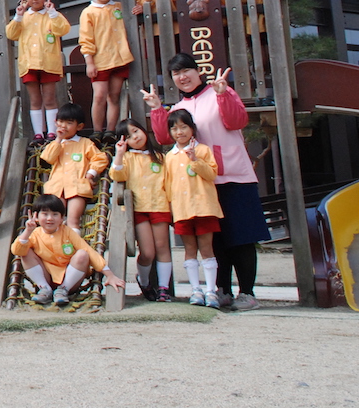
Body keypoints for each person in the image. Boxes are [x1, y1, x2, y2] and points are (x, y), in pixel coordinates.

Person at [143, 54, 265, 311]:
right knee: (214, 238)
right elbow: (166, 138)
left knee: (241, 236)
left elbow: (237, 121)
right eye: (176, 73)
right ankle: (221, 290)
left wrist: (224, 94)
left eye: (187, 70)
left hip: (233, 175)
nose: (182, 77)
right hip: (199, 184)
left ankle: (248, 293)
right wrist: (157, 109)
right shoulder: (177, 109)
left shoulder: (220, 91)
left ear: (199, 72)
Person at [11, 194, 125, 307]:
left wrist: (109, 275)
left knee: (82, 254)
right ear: (36, 216)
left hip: (69, 280)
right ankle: (44, 288)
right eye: (45, 214)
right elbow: (16, 251)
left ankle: (63, 289)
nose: (50, 218)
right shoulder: (34, 233)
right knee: (25, 252)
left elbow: (88, 250)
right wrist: (27, 231)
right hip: (46, 278)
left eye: (55, 214)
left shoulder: (67, 232)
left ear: (62, 218)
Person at [163, 109, 224, 308]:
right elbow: (167, 184)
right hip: (181, 210)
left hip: (204, 207)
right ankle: (195, 289)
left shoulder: (203, 150)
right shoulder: (169, 157)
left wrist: (195, 160)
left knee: (207, 249)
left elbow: (212, 174)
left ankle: (211, 290)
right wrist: (171, 209)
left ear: (192, 128)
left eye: (183, 127)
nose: (179, 132)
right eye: (174, 128)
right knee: (189, 249)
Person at [111, 118, 173, 302]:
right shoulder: (128, 158)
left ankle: (163, 288)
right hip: (139, 209)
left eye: (136, 131)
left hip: (159, 205)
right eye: (129, 136)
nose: (135, 137)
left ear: (144, 131)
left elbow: (169, 184)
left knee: (162, 247)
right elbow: (116, 174)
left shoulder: (161, 158)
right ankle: (144, 281)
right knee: (147, 253)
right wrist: (120, 154)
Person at [5, 0, 70, 139]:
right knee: (34, 99)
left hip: (49, 63)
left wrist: (53, 13)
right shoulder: (23, 17)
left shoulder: (52, 15)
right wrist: (18, 16)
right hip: (29, 64)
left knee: (49, 98)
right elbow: (11, 34)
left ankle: (52, 132)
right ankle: (38, 134)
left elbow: (63, 29)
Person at [79, 0, 133, 134]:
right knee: (100, 96)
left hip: (120, 58)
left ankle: (110, 131)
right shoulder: (88, 12)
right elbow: (85, 39)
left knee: (114, 96)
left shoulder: (120, 7)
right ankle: (97, 131)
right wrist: (89, 63)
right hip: (100, 61)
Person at [40, 103, 108, 229]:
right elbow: (48, 158)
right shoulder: (55, 144)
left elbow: (100, 158)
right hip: (56, 189)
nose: (64, 126)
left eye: (69, 123)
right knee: (55, 221)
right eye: (61, 122)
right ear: (55, 123)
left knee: (73, 220)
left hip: (78, 188)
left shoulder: (85, 143)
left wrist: (90, 174)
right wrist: (58, 140)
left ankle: (73, 246)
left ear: (79, 126)